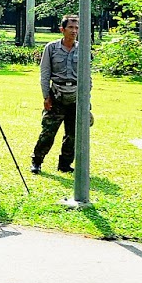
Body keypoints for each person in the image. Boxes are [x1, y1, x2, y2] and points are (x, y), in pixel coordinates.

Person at [33, 15, 83, 175]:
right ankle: (37, 161)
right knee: (48, 132)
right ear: (62, 29)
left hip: (76, 96)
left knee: (73, 134)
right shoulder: (52, 48)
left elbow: (87, 76)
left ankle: (65, 164)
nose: (74, 31)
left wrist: (86, 98)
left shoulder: (82, 48)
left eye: (76, 28)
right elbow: (45, 73)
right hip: (57, 95)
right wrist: (46, 96)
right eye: (71, 27)